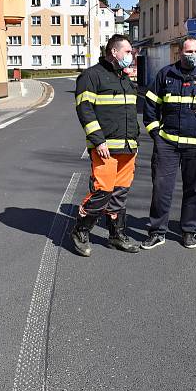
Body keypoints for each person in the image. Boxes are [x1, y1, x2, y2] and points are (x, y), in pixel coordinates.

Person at [141, 37, 196, 250]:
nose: (193, 54)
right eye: (189, 51)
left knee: (193, 189)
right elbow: (150, 104)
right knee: (161, 188)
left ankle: (189, 231)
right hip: (167, 144)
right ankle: (157, 232)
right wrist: (155, 133)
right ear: (179, 53)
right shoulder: (166, 74)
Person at [70, 34, 141, 256]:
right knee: (103, 191)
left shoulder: (125, 79)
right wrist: (98, 140)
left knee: (120, 193)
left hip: (128, 148)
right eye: (128, 51)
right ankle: (80, 231)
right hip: (105, 148)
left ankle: (116, 235)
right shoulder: (91, 76)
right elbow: (85, 110)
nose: (131, 55)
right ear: (114, 52)